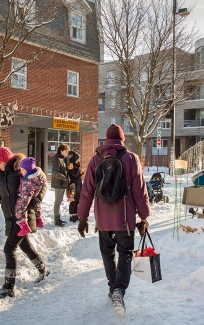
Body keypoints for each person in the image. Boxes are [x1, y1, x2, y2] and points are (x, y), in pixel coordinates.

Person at [77, 124, 150, 316]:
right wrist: (143, 217)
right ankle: (119, 290)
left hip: (103, 219)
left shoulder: (95, 160)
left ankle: (112, 288)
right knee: (125, 253)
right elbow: (140, 191)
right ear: (122, 139)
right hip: (125, 218)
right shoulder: (131, 159)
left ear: (106, 139)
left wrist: (82, 217)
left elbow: (87, 192)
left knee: (107, 254)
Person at [0, 147, 48, 298]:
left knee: (9, 249)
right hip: (10, 218)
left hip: (23, 217)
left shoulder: (20, 171)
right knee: (25, 245)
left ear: (7, 160)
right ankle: (43, 269)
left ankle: (9, 287)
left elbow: (41, 183)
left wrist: (37, 200)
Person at [15, 157, 48, 236]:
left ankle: (24, 226)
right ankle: (39, 219)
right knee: (37, 206)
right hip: (35, 196)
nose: (20, 171)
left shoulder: (28, 181)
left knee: (19, 208)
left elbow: (25, 197)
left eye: (22, 169)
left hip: (26, 196)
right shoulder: (40, 175)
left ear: (28, 170)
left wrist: (23, 204)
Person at [51, 144, 70, 227]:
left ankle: (58, 217)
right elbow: (55, 172)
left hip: (61, 183)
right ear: (61, 150)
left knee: (59, 201)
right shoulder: (57, 159)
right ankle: (56, 219)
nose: (67, 152)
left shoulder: (62, 159)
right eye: (66, 151)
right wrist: (64, 178)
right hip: (58, 183)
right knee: (58, 202)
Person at [67, 151, 84, 223]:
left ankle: (76, 215)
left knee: (77, 200)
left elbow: (78, 174)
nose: (78, 160)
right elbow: (75, 174)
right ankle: (72, 215)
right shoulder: (70, 166)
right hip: (73, 186)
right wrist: (79, 171)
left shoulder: (77, 166)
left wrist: (80, 173)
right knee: (73, 201)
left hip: (78, 185)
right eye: (77, 159)